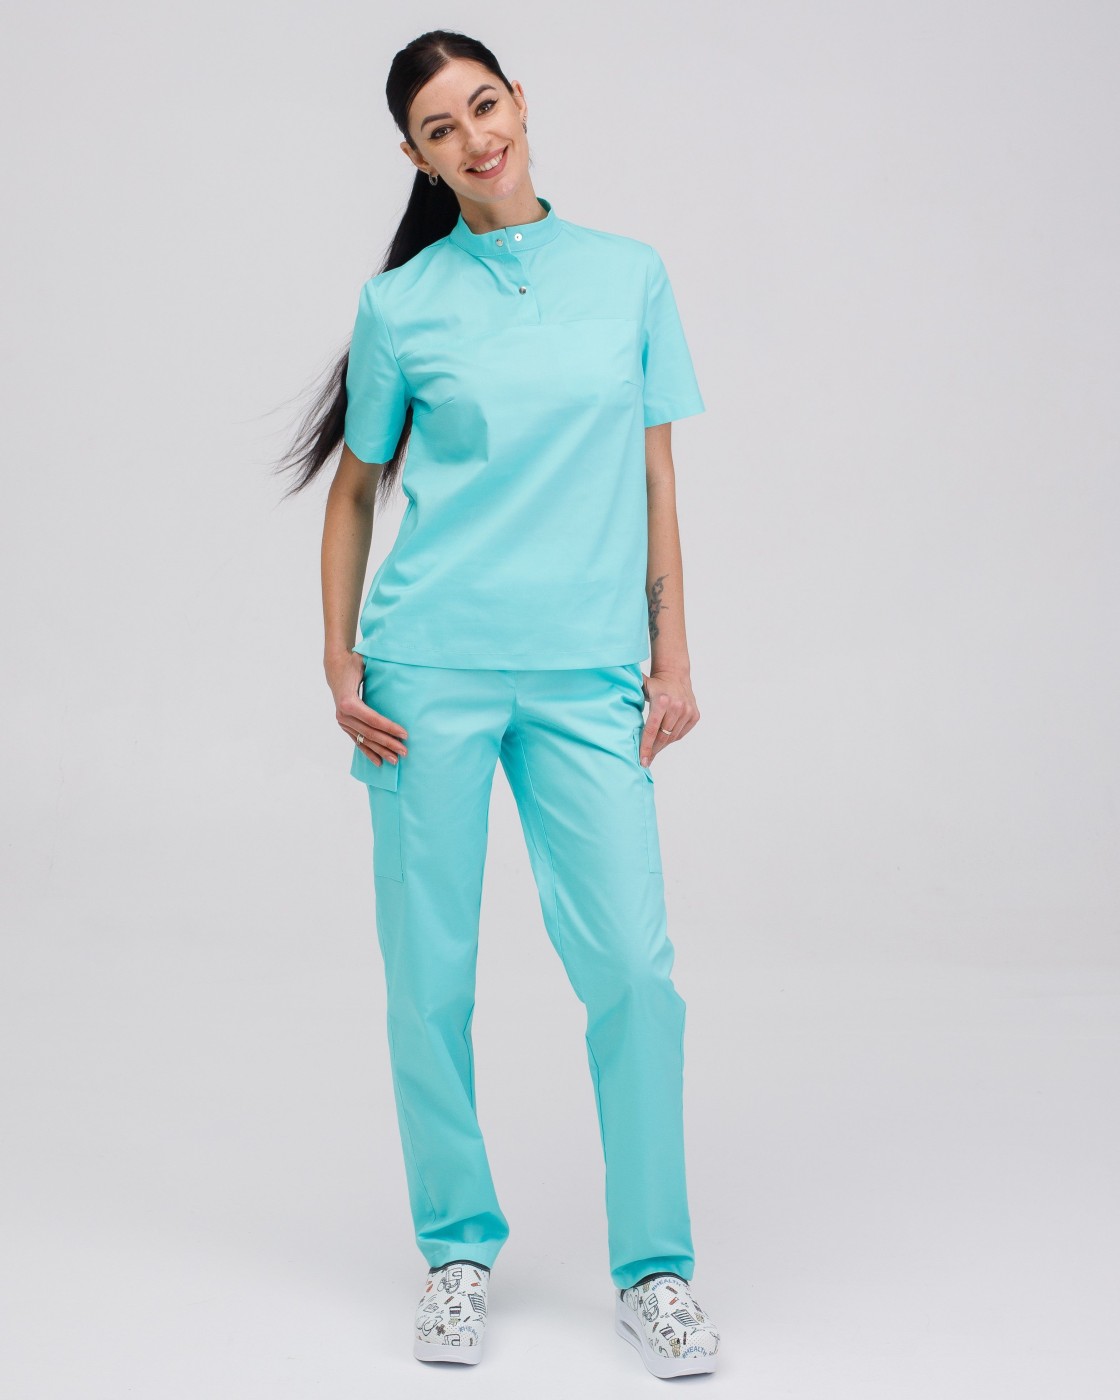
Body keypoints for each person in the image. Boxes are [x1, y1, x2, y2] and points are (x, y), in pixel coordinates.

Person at [277, 29, 720, 1378]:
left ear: (520, 103)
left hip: (587, 674)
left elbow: (654, 477)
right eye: (440, 128)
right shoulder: (401, 305)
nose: (475, 138)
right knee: (431, 976)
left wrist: (674, 655)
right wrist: (339, 659)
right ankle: (455, 1253)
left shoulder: (629, 275)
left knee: (633, 971)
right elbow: (356, 492)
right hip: (429, 675)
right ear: (416, 158)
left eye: (484, 105)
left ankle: (656, 1269)